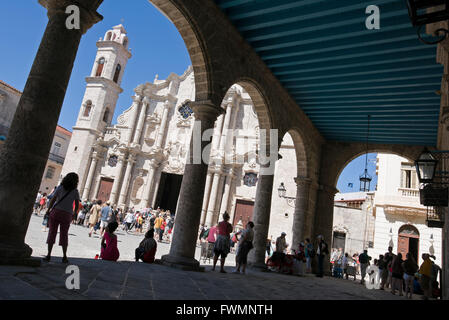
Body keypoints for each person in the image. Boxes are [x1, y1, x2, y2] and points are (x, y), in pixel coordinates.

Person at [43, 173, 80, 263]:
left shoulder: (60, 187)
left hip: (56, 211)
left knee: (52, 232)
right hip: (67, 214)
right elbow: (77, 203)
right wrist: (74, 213)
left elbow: (53, 199)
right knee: (64, 234)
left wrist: (48, 210)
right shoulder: (75, 191)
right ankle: (64, 256)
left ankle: (48, 255)